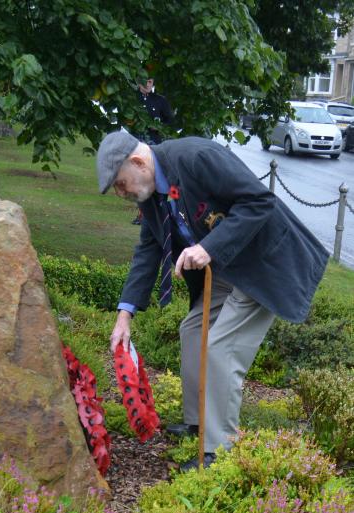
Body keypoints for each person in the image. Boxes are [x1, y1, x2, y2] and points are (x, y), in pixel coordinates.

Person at [96, 131, 329, 470]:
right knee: (193, 329)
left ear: (137, 162)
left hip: (263, 264)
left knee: (222, 346)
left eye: (120, 184)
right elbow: (147, 251)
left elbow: (259, 201)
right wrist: (124, 313)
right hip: (226, 268)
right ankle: (199, 421)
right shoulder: (151, 198)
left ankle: (219, 451)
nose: (122, 193)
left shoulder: (197, 158)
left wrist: (208, 248)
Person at [131, 78, 173, 224]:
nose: (148, 85)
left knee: (151, 178)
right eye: (145, 81)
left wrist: (160, 127)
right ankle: (143, 213)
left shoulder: (160, 101)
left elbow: (170, 121)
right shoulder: (132, 98)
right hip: (136, 142)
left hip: (154, 145)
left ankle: (148, 214)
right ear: (138, 81)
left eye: (150, 82)